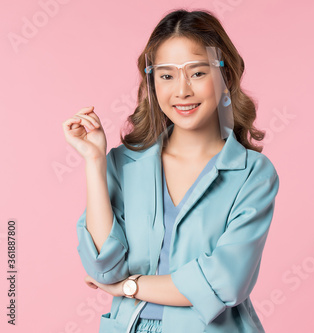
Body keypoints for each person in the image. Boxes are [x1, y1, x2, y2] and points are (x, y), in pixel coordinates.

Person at [62, 8, 280, 333]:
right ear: (153, 83)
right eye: (166, 76)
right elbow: (103, 269)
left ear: (226, 78)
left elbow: (225, 283)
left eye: (197, 73)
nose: (182, 91)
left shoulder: (252, 174)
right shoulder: (123, 164)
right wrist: (95, 161)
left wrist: (129, 287)